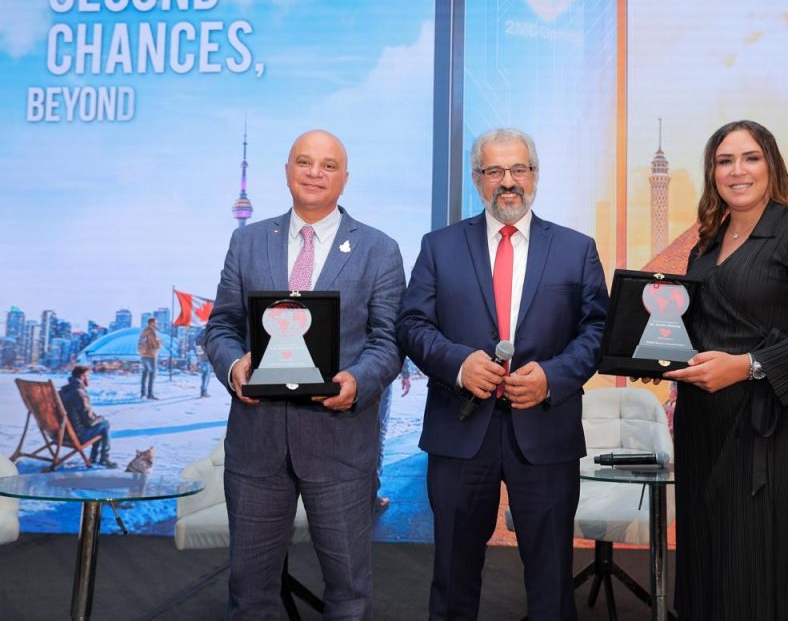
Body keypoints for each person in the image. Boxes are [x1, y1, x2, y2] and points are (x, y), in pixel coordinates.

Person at [397, 128, 608, 620]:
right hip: (459, 428)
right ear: (477, 179)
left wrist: (552, 377)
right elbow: (412, 325)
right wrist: (458, 364)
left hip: (546, 431)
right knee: (453, 577)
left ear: (534, 175)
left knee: (552, 582)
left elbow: (597, 331)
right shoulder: (439, 247)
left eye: (518, 169)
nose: (507, 181)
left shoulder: (576, 249)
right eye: (494, 171)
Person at [203, 129, 404, 620]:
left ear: (345, 177)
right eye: (304, 162)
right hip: (257, 446)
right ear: (287, 171)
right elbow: (221, 327)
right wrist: (234, 365)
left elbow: (388, 341)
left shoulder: (379, 249)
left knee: (348, 592)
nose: (315, 173)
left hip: (340, 445)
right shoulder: (247, 241)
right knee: (250, 592)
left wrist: (358, 381)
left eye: (328, 165)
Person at [661, 120, 788, 620]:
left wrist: (749, 366)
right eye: (724, 161)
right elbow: (697, 327)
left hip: (775, 425)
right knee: (706, 556)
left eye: (750, 157)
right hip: (706, 422)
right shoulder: (706, 244)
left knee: (758, 563)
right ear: (712, 173)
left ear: (772, 164)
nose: (737, 170)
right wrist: (648, 355)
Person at [58, 365, 117, 468]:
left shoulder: (63, 392)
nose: (89, 379)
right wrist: (99, 419)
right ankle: (104, 458)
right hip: (78, 435)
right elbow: (89, 421)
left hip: (63, 433)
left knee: (100, 425)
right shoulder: (79, 393)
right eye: (87, 376)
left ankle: (94, 458)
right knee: (105, 424)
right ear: (82, 377)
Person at [374, 358, 411, 511]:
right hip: (378, 374)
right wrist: (405, 374)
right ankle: (371, 495)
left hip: (345, 372)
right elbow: (396, 344)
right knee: (377, 432)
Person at [137, 317, 161, 400]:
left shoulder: (143, 332)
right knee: (152, 375)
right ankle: (150, 394)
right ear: (152, 323)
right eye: (155, 323)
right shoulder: (152, 332)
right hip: (151, 355)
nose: (156, 324)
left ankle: (143, 393)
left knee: (144, 374)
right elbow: (156, 345)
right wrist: (160, 342)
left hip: (143, 356)